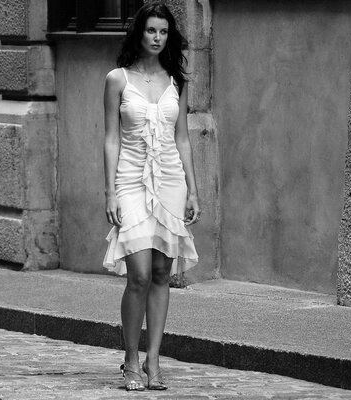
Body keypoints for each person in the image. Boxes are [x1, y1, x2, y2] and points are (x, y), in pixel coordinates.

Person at [102, 1, 200, 392]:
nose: (157, 38)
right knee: (139, 274)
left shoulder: (177, 81)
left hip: (171, 181)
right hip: (129, 180)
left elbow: (183, 139)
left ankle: (153, 360)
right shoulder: (117, 79)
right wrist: (109, 191)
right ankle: (129, 358)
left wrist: (194, 189)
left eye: (163, 31)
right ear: (138, 33)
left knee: (162, 272)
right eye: (151, 30)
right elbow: (110, 138)